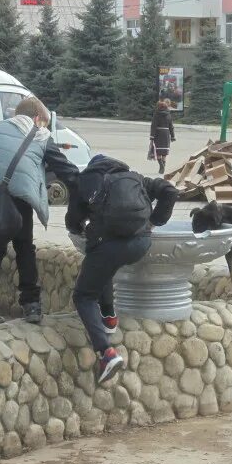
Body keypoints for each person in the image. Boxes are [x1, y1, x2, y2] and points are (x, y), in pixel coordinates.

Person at [0, 97, 79, 325]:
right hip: (18, 197)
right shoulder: (40, 135)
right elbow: (66, 170)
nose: (44, 128)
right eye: (44, 123)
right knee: (24, 248)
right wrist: (88, 188)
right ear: (38, 119)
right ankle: (31, 306)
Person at [66, 155, 177, 384]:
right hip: (140, 244)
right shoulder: (135, 178)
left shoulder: (87, 182)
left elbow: (72, 222)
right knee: (103, 267)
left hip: (107, 246)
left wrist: (83, 225)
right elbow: (170, 191)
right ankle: (108, 317)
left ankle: (107, 354)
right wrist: (153, 221)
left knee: (83, 295)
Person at [149, 99, 176, 175]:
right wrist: (173, 136)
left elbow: (153, 126)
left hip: (158, 133)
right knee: (164, 152)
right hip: (166, 134)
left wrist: (152, 136)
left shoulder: (156, 114)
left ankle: (161, 166)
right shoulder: (168, 114)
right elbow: (171, 126)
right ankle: (163, 166)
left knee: (158, 151)